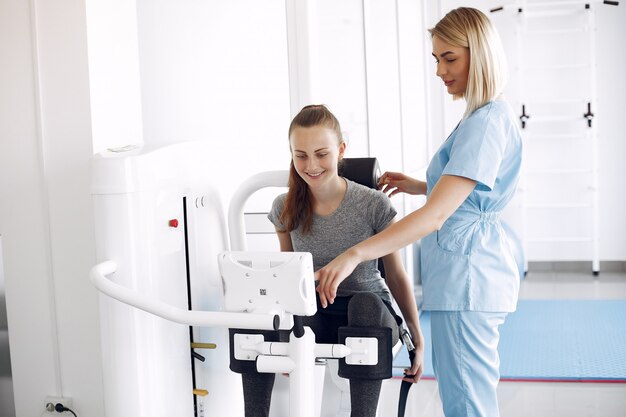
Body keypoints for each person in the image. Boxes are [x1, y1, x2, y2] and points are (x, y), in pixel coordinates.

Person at [314, 7, 522, 417]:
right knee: (464, 397)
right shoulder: (482, 117)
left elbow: (436, 216)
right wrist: (419, 185)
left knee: (467, 404)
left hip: (468, 279)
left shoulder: (485, 121)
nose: (440, 71)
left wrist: (356, 252)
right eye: (436, 59)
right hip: (465, 276)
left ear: (478, 55)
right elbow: (470, 191)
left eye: (450, 58)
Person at [238, 104, 424, 417]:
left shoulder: (372, 204)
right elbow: (289, 276)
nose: (311, 165)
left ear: (340, 150)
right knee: (257, 316)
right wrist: (282, 338)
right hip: (316, 312)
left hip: (369, 316)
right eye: (301, 155)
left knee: (363, 304)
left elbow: (396, 276)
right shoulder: (284, 206)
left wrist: (417, 339)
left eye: (321, 153)